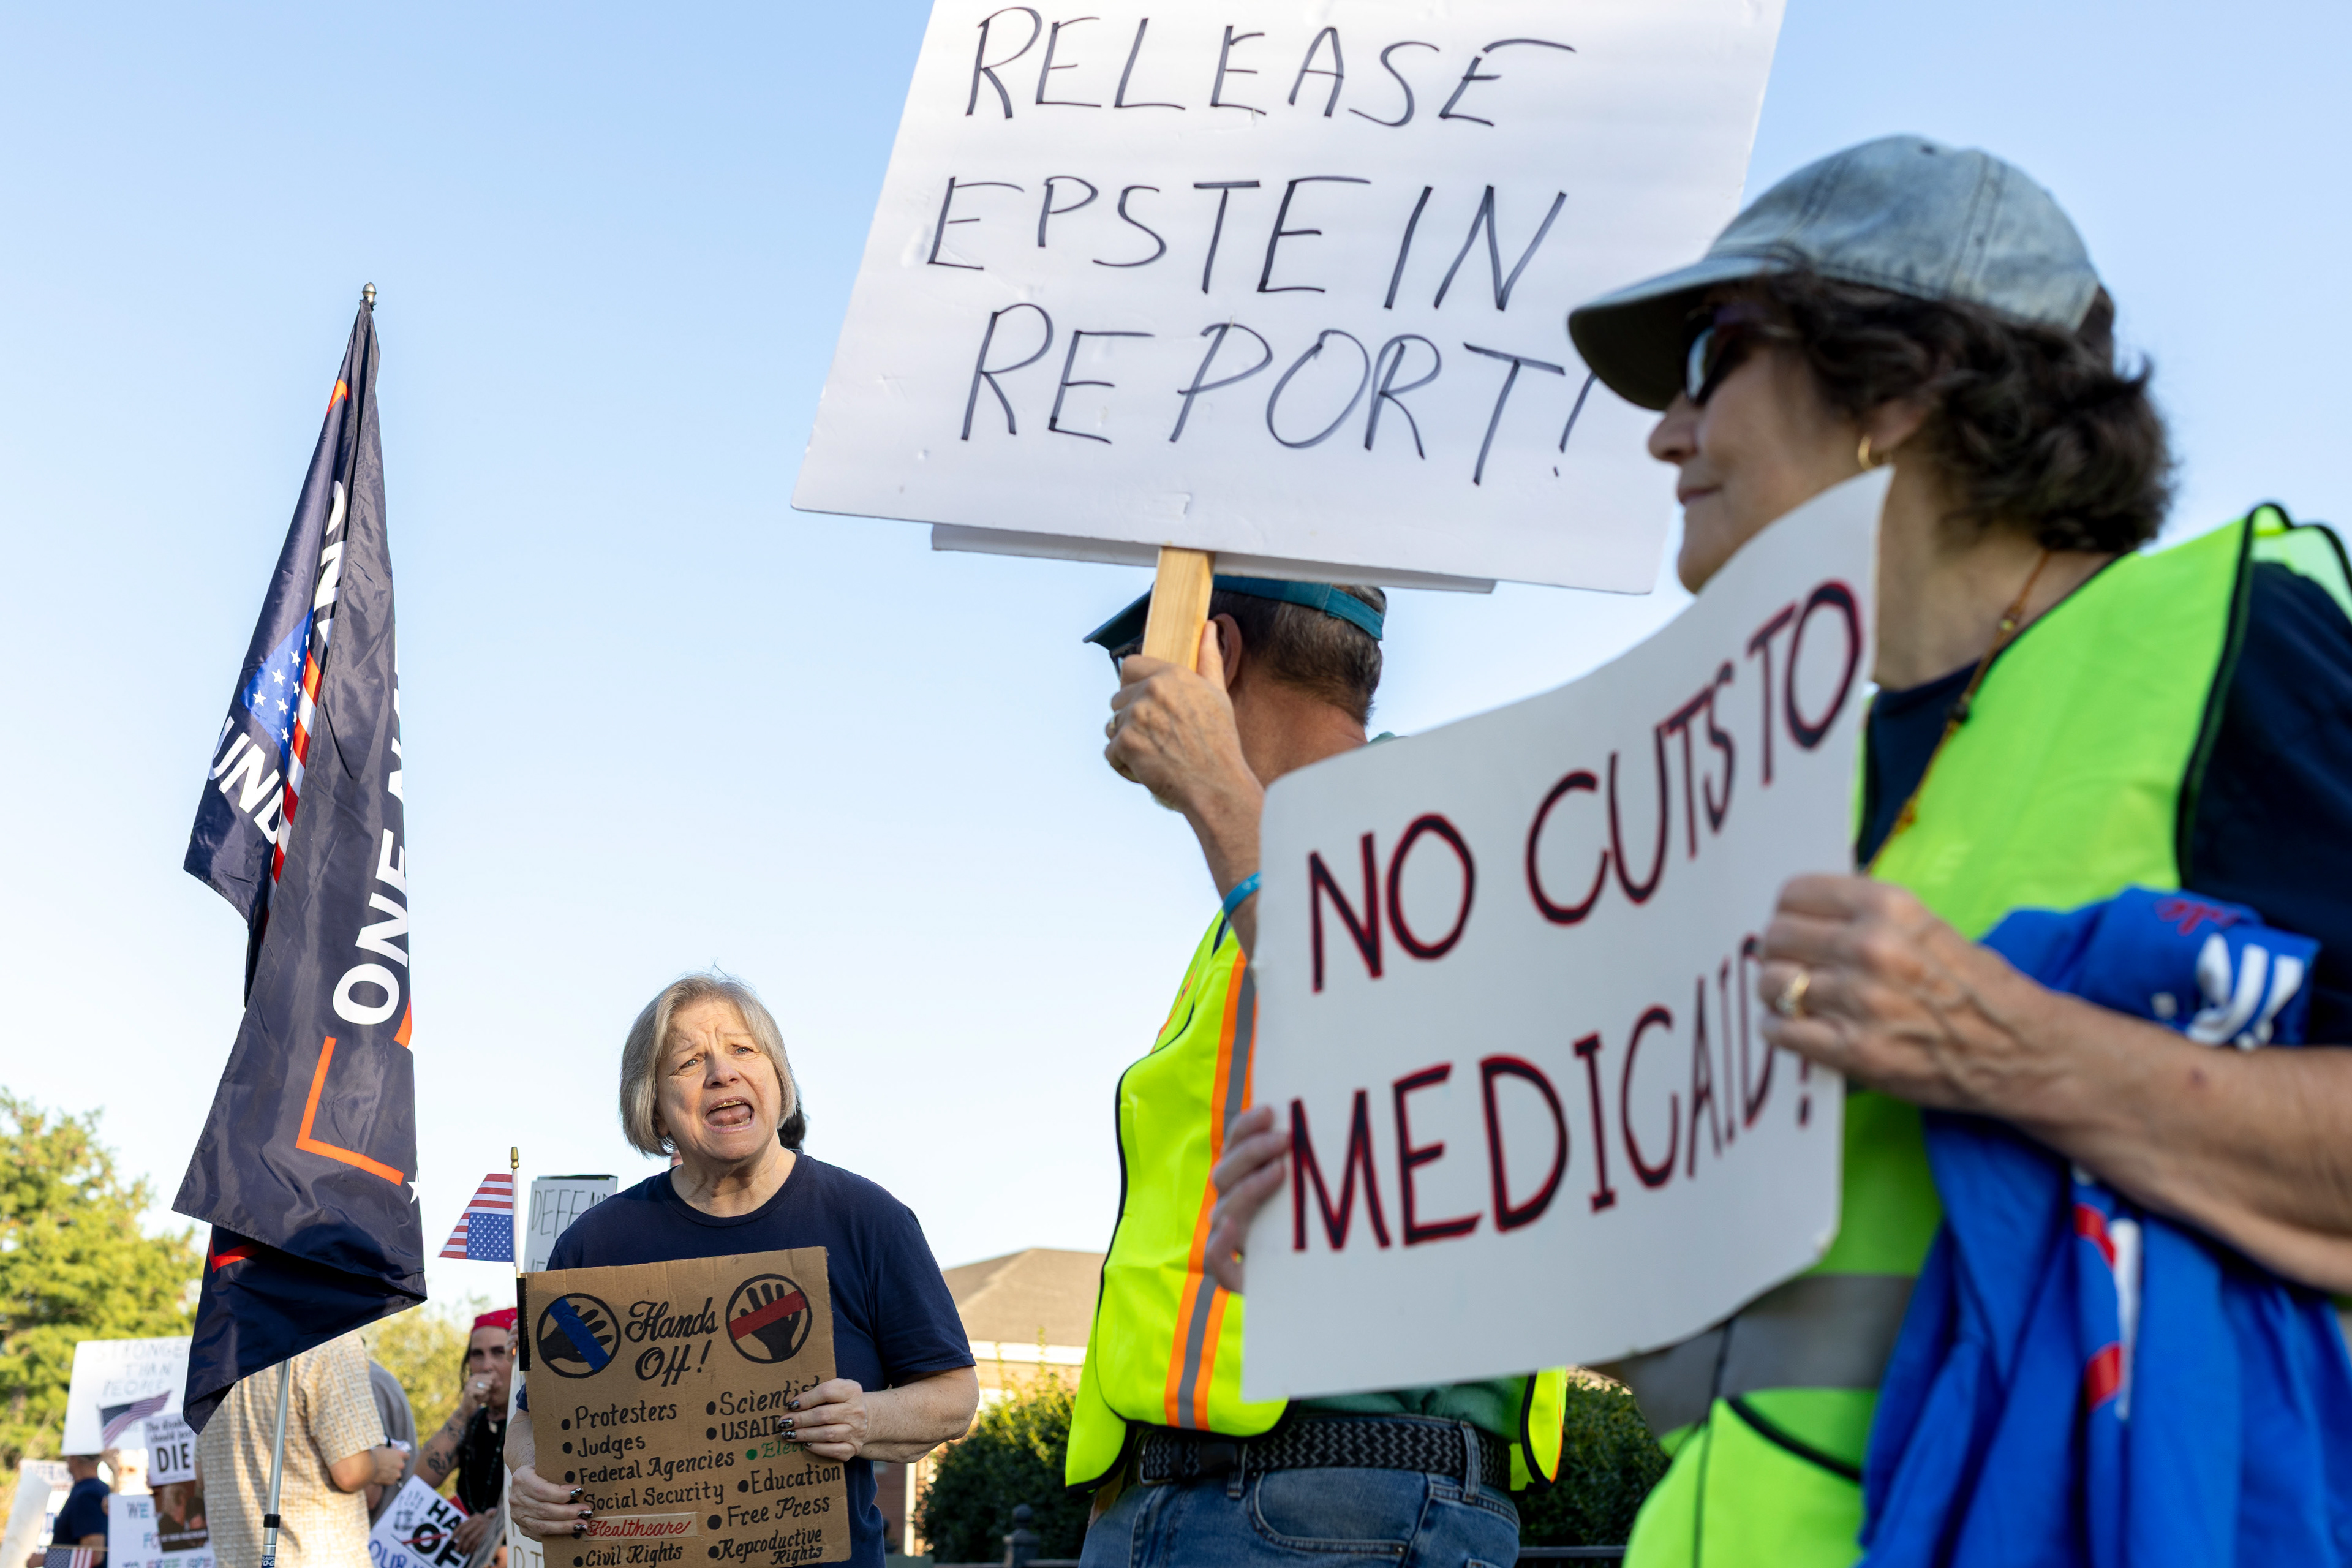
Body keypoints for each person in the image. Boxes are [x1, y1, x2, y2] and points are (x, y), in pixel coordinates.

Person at [1203, 135, 2352, 1564]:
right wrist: (1403, 1248)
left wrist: (2014, 1050)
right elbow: (1739, 1349)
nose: (1664, 432)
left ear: (1900, 385)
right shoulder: (1782, 780)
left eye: (1708, 357)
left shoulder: (2224, 634)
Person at [1083, 578, 1570, 1566]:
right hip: (1233, 1501)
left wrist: (1217, 787)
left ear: (1212, 652)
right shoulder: (1282, 878)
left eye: (1136, 657)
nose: (1125, 688)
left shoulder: (1438, 827)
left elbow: (1399, 1051)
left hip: (1330, 1501)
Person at [505, 973, 978, 1568]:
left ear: (778, 1079)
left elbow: (955, 1396)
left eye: (743, 1050)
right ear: (652, 1105)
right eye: (689, 1060)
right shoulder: (595, 1245)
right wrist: (530, 1475)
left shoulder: (867, 1218)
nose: (721, 1072)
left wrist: (865, 1417)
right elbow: (532, 1419)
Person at [196, 1330, 408, 1567]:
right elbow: (351, 1472)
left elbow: (202, 1474)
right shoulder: (331, 1339)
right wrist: (379, 1464)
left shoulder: (214, 1352)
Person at [401, 1309, 516, 1565]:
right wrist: (464, 1411)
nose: (486, 1365)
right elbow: (417, 1484)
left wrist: (499, 1523)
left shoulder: (539, 1420)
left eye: (499, 1352)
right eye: (478, 1355)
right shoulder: (472, 1421)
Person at [364, 1354, 418, 1524]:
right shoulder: (376, 1377)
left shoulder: (362, 1382)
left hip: (375, 1534)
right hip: (391, 1529)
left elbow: (369, 1496)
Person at [43, 1455, 107, 1565]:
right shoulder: (96, 1489)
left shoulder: (87, 1494)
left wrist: (44, 1559)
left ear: (73, 1458)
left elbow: (94, 1554)